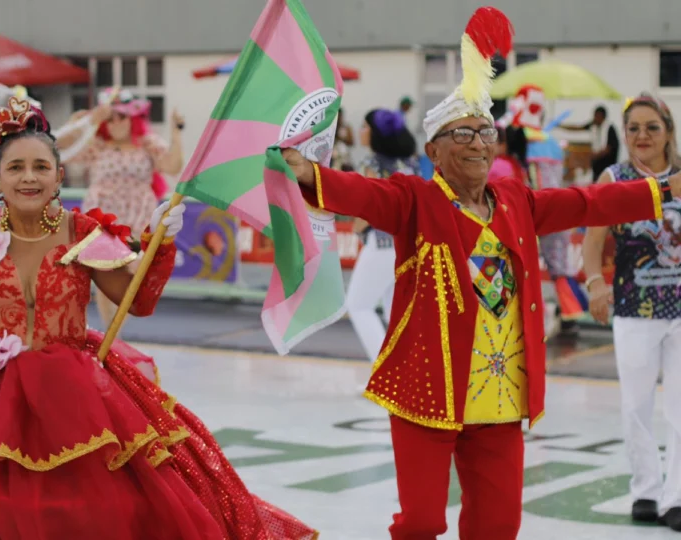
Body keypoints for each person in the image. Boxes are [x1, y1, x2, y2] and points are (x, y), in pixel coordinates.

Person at [281, 8, 681, 539]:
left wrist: (665, 189)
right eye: (461, 133)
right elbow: (365, 193)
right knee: (421, 522)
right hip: (427, 392)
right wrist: (310, 174)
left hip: (500, 397)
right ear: (434, 151)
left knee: (497, 526)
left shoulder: (515, 200)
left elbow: (587, 201)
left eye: (484, 131)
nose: (477, 142)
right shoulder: (416, 200)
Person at [0, 97, 316, 540]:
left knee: (98, 508)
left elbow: (135, 303)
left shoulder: (83, 232)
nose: (29, 177)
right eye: (16, 167)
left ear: (60, 176)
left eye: (41, 167)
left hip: (74, 395)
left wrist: (158, 245)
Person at [583, 93, 681, 531]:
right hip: (633, 309)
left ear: (668, 133)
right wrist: (595, 283)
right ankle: (645, 490)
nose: (642, 136)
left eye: (651, 127)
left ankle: (676, 497)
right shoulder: (615, 177)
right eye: (634, 128)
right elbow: (592, 238)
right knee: (636, 405)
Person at [58, 88, 185, 332]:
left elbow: (172, 165)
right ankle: (112, 334)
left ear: (133, 118)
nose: (115, 122)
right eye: (111, 117)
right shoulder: (97, 144)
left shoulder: (146, 143)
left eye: (122, 116)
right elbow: (60, 151)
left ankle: (116, 332)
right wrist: (84, 122)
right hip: (103, 218)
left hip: (138, 218)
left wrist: (176, 132)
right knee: (105, 274)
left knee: (133, 270)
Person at [504, 85, 586, 338]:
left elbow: (527, 182)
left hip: (534, 210)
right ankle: (571, 313)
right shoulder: (549, 140)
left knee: (522, 264)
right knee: (558, 265)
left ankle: (546, 316)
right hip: (558, 207)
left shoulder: (520, 138)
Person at [346, 108, 417, 364]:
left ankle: (384, 374)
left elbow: (370, 206)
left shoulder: (372, 164)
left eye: (365, 127)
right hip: (406, 243)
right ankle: (404, 375)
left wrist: (356, 226)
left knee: (358, 305)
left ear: (376, 134)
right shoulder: (410, 163)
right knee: (393, 311)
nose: (361, 131)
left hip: (382, 243)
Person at [561, 105, 620, 181]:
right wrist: (561, 126)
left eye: (597, 116)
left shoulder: (610, 128)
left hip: (607, 164)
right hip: (597, 165)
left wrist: (595, 155)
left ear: (602, 116)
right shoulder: (593, 125)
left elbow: (609, 148)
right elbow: (578, 128)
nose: (595, 118)